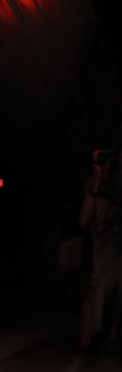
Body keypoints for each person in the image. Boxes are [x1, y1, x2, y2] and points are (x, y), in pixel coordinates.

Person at [78, 147, 121, 353]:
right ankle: (95, 337)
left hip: (114, 255)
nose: (105, 169)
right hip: (101, 257)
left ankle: (111, 335)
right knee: (99, 291)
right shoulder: (95, 195)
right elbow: (84, 221)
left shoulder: (114, 191)